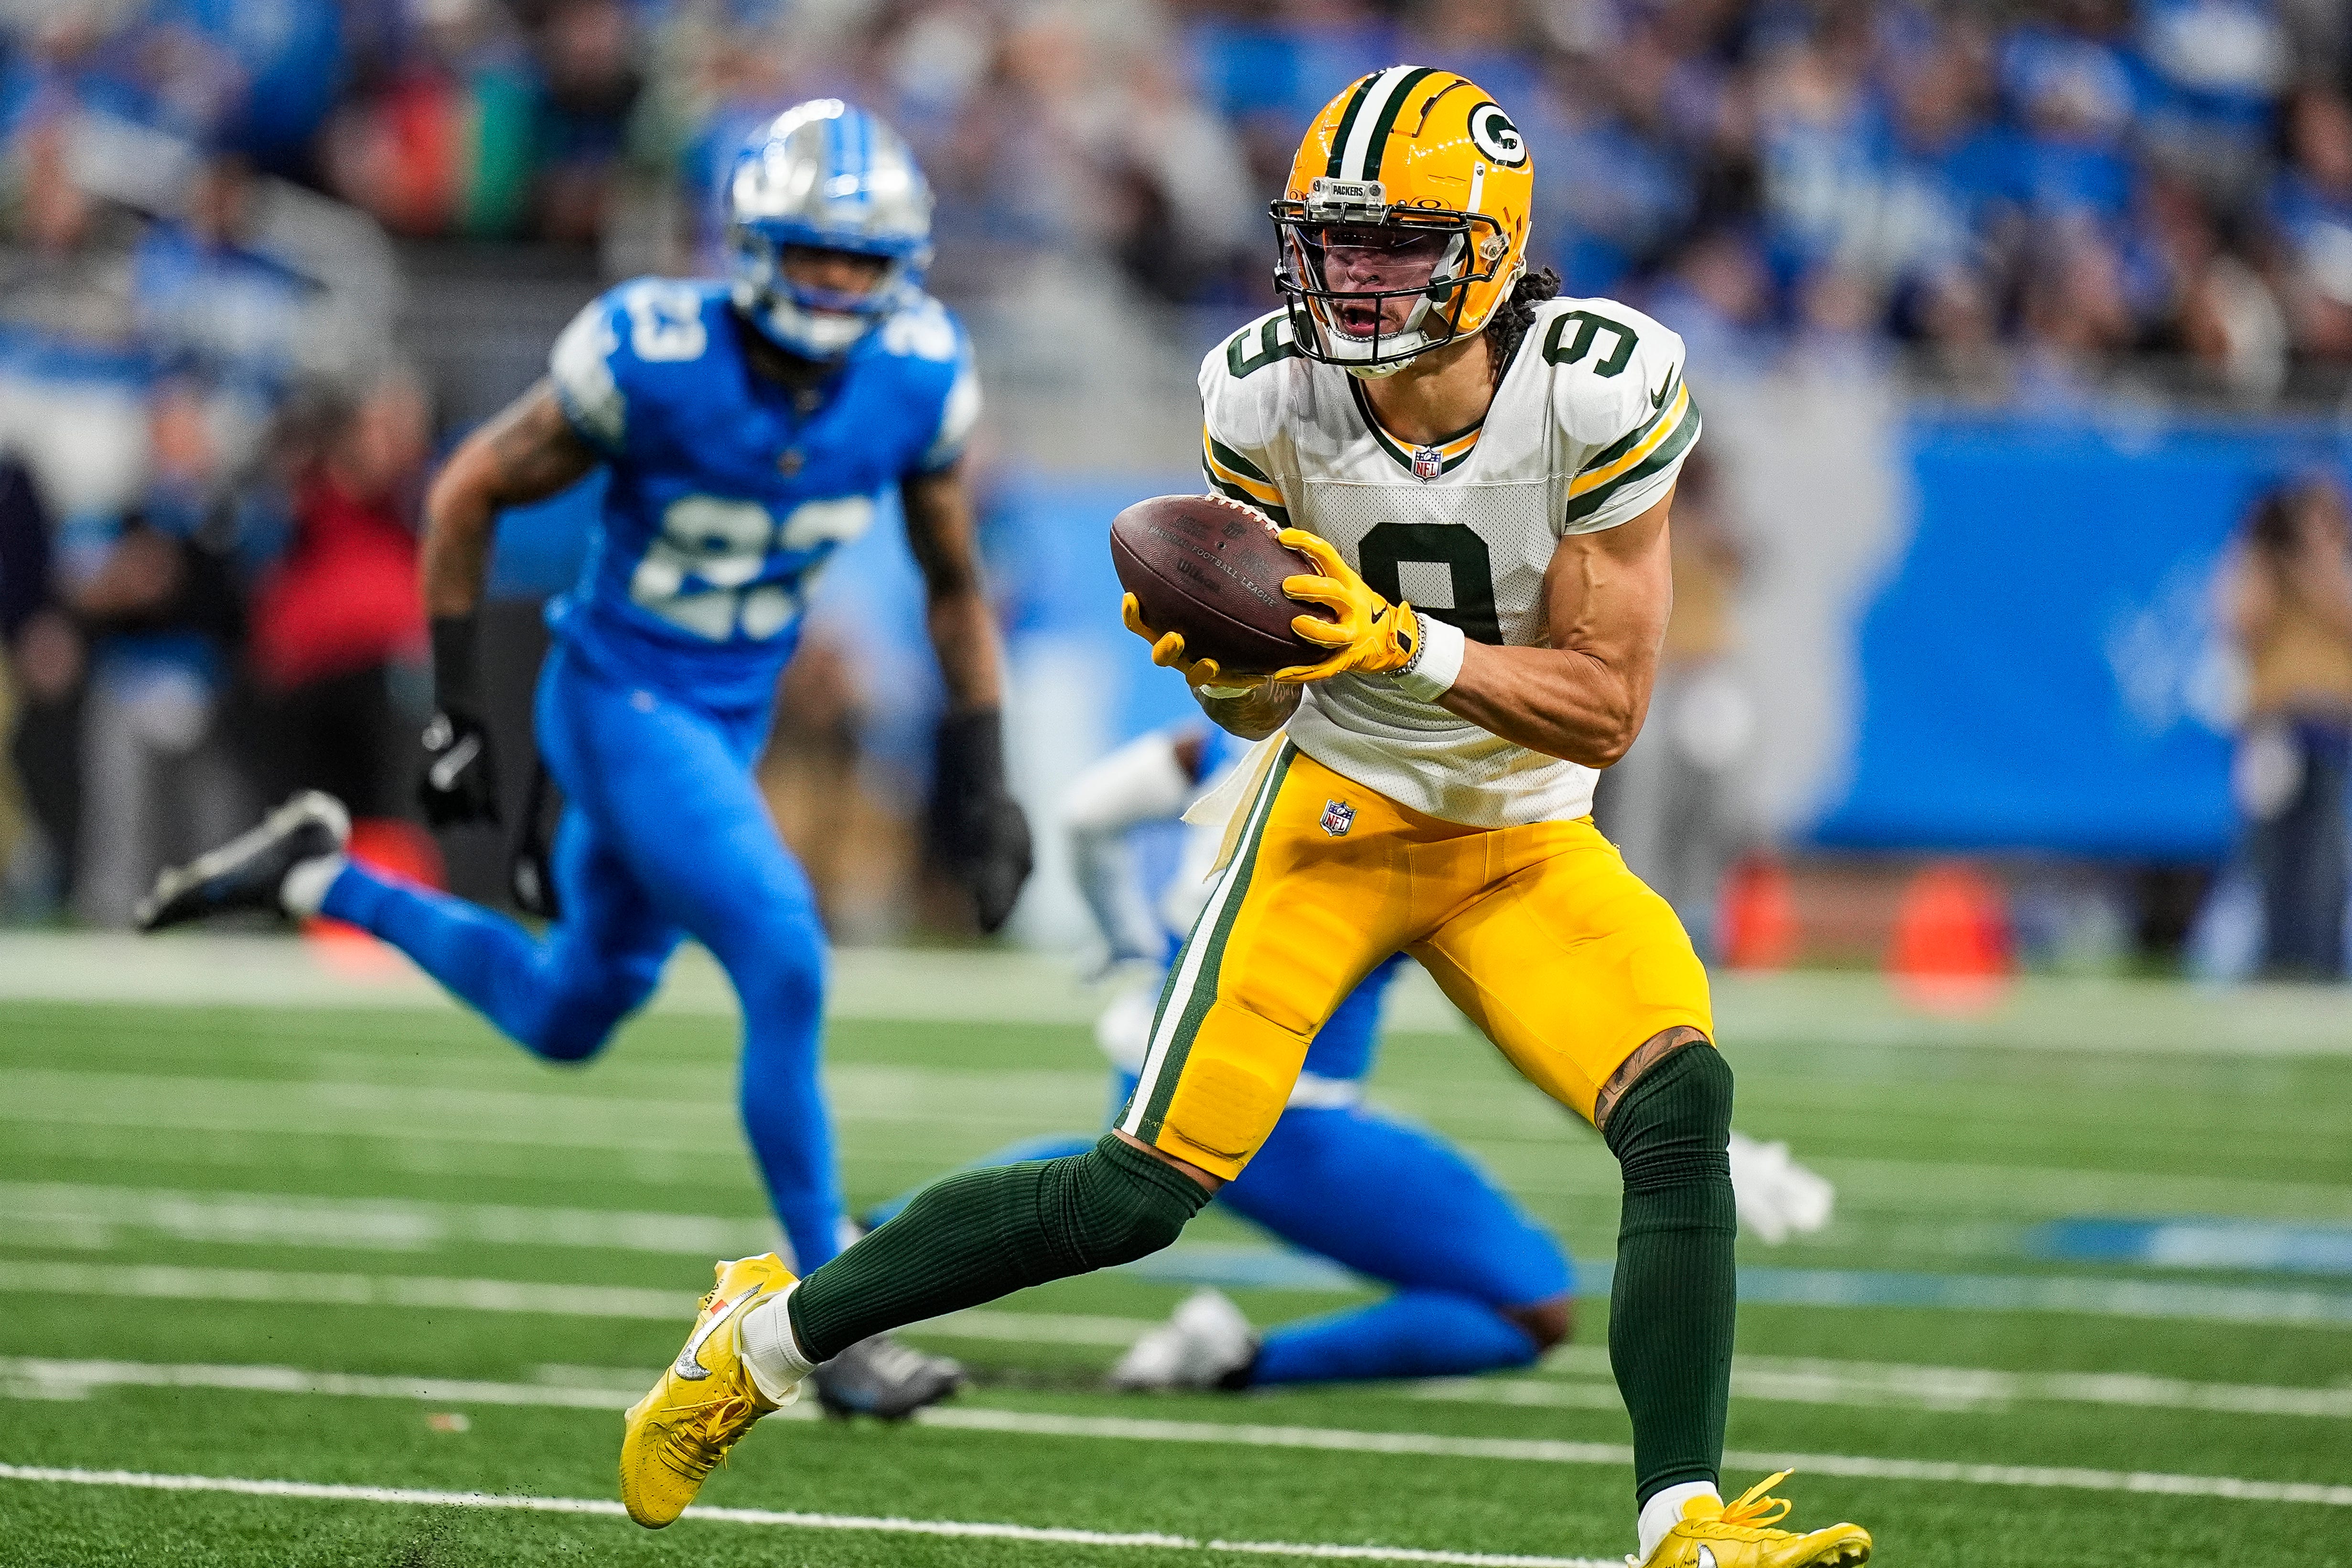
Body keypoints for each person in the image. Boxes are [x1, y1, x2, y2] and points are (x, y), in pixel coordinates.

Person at [612, 69, 1872, 1568]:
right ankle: (761, 1339)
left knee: (1677, 1105)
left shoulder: (1598, 387)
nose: (1357, 275)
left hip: (1525, 836)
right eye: (1336, 241)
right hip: (1336, 820)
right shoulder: (1263, 391)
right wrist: (1231, 671)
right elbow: (1264, 711)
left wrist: (1403, 645)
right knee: (1135, 1194)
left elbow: (1604, 706)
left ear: (1491, 252)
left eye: (1398, 244)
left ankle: (1684, 1527)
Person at [133, 100, 1032, 1418]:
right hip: (618, 696)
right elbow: (468, 490)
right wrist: (457, 707)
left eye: (863, 261)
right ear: (752, 246)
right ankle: (830, 1320)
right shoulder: (657, 353)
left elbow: (954, 580)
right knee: (784, 949)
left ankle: (320, 875)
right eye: (815, 253)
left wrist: (985, 770)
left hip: (722, 715)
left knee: (568, 1014)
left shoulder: (916, 375)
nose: (839, 284)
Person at [868, 720, 1832, 1393]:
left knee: (1105, 1181)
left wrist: (1126, 938)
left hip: (1163, 1060)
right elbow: (1529, 1021)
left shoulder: (1231, 742)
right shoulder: (1422, 794)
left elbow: (1085, 812)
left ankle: (857, 1239)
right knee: (1531, 1304)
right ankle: (1234, 1361)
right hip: (1288, 1116)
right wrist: (1706, 1146)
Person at [2222, 474, 2352, 978]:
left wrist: (2315, 564)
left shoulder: (2335, 567)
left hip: (2331, 730)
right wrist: (2260, 554)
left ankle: (2320, 964)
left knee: (2325, 859)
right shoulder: (2263, 565)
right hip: (2277, 730)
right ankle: (2275, 962)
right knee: (2273, 856)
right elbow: (2238, 621)